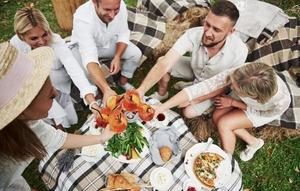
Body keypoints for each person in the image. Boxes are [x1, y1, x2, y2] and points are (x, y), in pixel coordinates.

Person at [0, 42, 115, 191]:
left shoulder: (28, 124)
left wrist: (102, 138)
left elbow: (59, 138)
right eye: (51, 95)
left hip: (11, 180)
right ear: (20, 112)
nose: (56, 93)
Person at [154, 62, 291, 161]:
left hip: (259, 112)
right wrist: (164, 107)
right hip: (243, 101)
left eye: (235, 88)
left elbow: (262, 113)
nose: (231, 87)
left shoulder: (281, 102)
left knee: (224, 124)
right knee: (217, 116)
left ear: (254, 96)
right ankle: (254, 142)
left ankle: (225, 160)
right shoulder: (242, 73)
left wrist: (233, 102)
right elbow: (206, 86)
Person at [136, 0, 248, 118]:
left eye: (216, 29)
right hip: (195, 68)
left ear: (231, 32)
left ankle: (190, 87)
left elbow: (223, 87)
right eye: (207, 24)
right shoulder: (193, 34)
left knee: (188, 112)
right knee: (161, 60)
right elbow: (165, 63)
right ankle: (162, 93)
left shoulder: (240, 52)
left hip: (214, 85)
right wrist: (141, 90)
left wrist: (193, 100)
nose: (208, 33)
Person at [10, 7, 101, 129]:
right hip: (31, 85)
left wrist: (92, 102)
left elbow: (74, 70)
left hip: (57, 80)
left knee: (77, 61)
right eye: (34, 38)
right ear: (21, 37)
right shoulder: (15, 46)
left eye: (44, 34)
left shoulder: (56, 41)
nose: (42, 42)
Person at [71, 0, 142, 101]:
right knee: (86, 72)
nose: (112, 15)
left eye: (116, 9)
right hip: (81, 48)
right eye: (107, 10)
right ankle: (97, 96)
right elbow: (89, 56)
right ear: (95, 2)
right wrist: (106, 89)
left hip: (106, 42)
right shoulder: (82, 18)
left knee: (135, 54)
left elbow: (123, 33)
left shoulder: (120, 5)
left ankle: (122, 82)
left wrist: (117, 56)